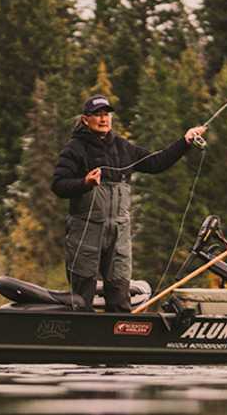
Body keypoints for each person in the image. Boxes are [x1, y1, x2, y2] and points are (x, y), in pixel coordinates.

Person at [51, 94, 206, 312]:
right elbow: (58, 185)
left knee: (120, 294)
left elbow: (156, 162)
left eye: (106, 114)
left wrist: (185, 141)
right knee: (80, 299)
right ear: (86, 120)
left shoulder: (123, 147)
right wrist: (84, 183)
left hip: (119, 234)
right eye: (97, 115)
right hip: (85, 232)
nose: (104, 119)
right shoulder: (74, 149)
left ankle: (118, 339)